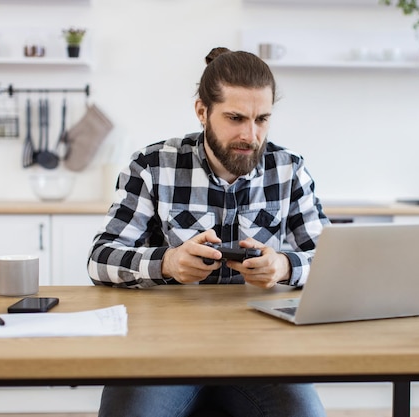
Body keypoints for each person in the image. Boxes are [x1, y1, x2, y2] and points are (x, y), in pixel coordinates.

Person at [89, 47, 329, 417]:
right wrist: (167, 263)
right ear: (202, 111)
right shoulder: (152, 166)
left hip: (262, 351)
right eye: (235, 118)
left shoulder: (289, 170)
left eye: (262, 119)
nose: (250, 135)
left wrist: (283, 265)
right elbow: (100, 258)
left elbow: (332, 262)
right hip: (163, 350)